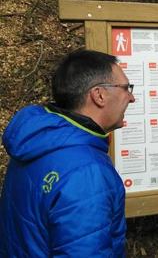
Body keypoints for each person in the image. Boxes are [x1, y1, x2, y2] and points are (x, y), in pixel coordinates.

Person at [0, 49, 135, 257]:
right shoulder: (87, 172)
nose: (131, 97)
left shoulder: (39, 141)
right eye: (126, 88)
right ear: (99, 95)